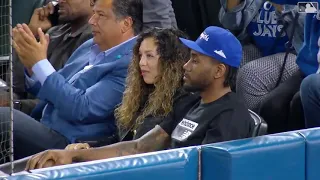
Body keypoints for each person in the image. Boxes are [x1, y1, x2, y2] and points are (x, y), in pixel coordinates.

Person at [25, 26, 254, 170]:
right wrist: (73, 156)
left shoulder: (231, 115)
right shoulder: (190, 103)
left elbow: (210, 172)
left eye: (195, 60)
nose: (186, 65)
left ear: (219, 71)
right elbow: (138, 147)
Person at [4, 0, 143, 160]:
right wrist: (32, 66)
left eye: (101, 15)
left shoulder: (131, 63)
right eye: (94, 13)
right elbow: (58, 86)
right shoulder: (90, 45)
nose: (92, 21)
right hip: (44, 123)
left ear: (125, 23)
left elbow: (82, 108)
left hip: (72, 144)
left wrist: (40, 64)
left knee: (4, 118)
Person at [66, 27, 195, 150]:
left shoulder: (183, 101)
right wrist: (88, 147)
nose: (142, 63)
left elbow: (137, 149)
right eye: (140, 55)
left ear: (170, 61)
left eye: (149, 56)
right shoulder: (143, 95)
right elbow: (120, 141)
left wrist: (85, 154)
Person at [12, 0, 93, 101]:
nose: (60, 1)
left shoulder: (95, 41)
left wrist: (17, 105)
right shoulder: (54, 33)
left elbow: (65, 101)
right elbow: (15, 86)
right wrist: (33, 33)